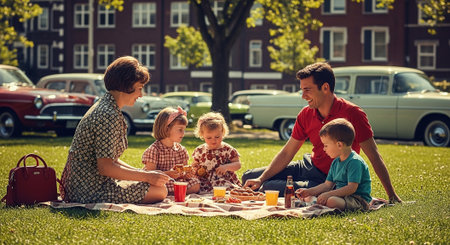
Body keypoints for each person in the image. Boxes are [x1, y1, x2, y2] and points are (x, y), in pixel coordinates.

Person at [242, 62, 401, 203]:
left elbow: (374, 155)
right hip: (307, 166)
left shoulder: (353, 114)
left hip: (328, 179)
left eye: (307, 90)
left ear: (325, 88)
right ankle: (265, 182)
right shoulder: (306, 114)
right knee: (250, 177)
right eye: (302, 90)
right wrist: (261, 178)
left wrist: (392, 195)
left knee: (269, 186)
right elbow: (287, 152)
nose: (303, 96)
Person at [60, 56, 169, 204]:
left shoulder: (108, 107)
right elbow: (106, 167)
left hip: (85, 186)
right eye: (139, 88)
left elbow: (112, 160)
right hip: (89, 191)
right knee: (160, 191)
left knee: (157, 186)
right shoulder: (108, 114)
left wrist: (144, 173)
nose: (140, 95)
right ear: (127, 86)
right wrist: (147, 177)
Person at [296, 118, 372, 211]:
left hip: (357, 199)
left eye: (326, 145)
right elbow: (327, 185)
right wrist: (308, 191)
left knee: (331, 201)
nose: (324, 149)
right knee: (312, 196)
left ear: (339, 145)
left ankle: (316, 203)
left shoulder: (354, 162)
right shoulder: (336, 162)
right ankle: (315, 202)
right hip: (341, 197)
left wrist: (328, 194)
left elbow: (351, 188)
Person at [142, 107, 200, 195]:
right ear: (166, 129)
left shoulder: (181, 150)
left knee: (195, 184)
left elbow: (183, 171)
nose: (183, 133)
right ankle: (174, 192)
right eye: (180, 130)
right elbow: (150, 174)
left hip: (177, 181)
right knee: (159, 186)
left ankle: (174, 193)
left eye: (184, 130)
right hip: (161, 181)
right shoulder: (154, 150)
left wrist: (186, 174)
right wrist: (168, 174)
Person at [192, 112, 242, 193]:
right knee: (194, 186)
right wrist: (194, 170)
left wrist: (226, 167)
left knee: (227, 190)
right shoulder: (200, 150)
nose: (213, 140)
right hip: (204, 181)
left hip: (223, 180)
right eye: (209, 137)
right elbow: (194, 165)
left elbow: (238, 165)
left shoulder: (227, 149)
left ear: (223, 132)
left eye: (217, 136)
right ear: (202, 135)